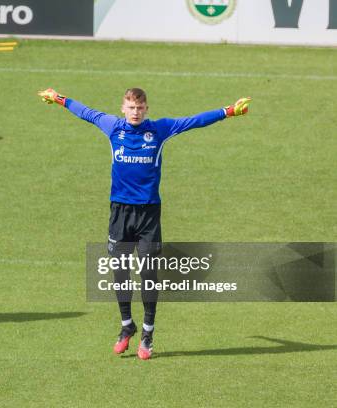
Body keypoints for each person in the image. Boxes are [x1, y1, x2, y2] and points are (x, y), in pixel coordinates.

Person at [38, 87, 251, 359]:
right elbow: (86, 113)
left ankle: (148, 334)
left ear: (146, 109)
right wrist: (59, 99)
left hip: (149, 214)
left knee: (148, 274)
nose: (135, 112)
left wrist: (229, 111)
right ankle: (127, 326)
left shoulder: (159, 130)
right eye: (130, 107)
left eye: (140, 108)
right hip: (120, 212)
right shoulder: (113, 127)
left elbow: (194, 120)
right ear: (123, 108)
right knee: (119, 270)